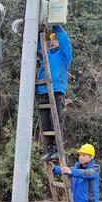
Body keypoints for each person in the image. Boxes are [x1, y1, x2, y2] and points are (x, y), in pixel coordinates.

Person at [37, 25, 73, 162]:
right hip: (43, 89)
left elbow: (65, 40)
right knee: (46, 123)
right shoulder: (46, 55)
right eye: (51, 39)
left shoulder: (64, 55)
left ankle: (57, 149)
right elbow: (36, 47)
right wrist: (38, 31)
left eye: (55, 39)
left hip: (56, 89)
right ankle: (50, 150)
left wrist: (57, 26)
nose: (52, 41)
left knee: (56, 121)